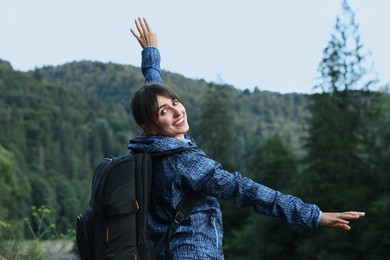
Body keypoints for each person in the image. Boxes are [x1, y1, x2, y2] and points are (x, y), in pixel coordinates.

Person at [128, 17, 365, 259]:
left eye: (175, 102)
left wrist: (151, 53)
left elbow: (153, 87)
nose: (177, 111)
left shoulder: (151, 147)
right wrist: (314, 215)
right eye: (164, 111)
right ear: (151, 126)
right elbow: (246, 190)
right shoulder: (184, 162)